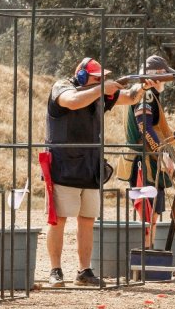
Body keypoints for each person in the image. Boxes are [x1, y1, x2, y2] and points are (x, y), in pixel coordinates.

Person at [45, 57, 141, 287]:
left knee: (87, 220)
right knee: (58, 220)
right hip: (64, 164)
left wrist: (142, 84)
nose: (101, 80)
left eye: (101, 77)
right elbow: (73, 101)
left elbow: (129, 98)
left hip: (90, 165)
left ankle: (84, 270)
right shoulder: (63, 87)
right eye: (96, 77)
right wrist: (101, 89)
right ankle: (55, 270)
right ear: (80, 76)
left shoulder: (97, 94)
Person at [121, 55, 174, 246]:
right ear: (157, 76)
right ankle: (144, 253)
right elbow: (144, 125)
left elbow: (158, 128)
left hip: (150, 158)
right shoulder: (148, 93)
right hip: (145, 161)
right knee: (147, 213)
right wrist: (162, 153)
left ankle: (148, 249)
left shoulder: (150, 94)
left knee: (152, 213)